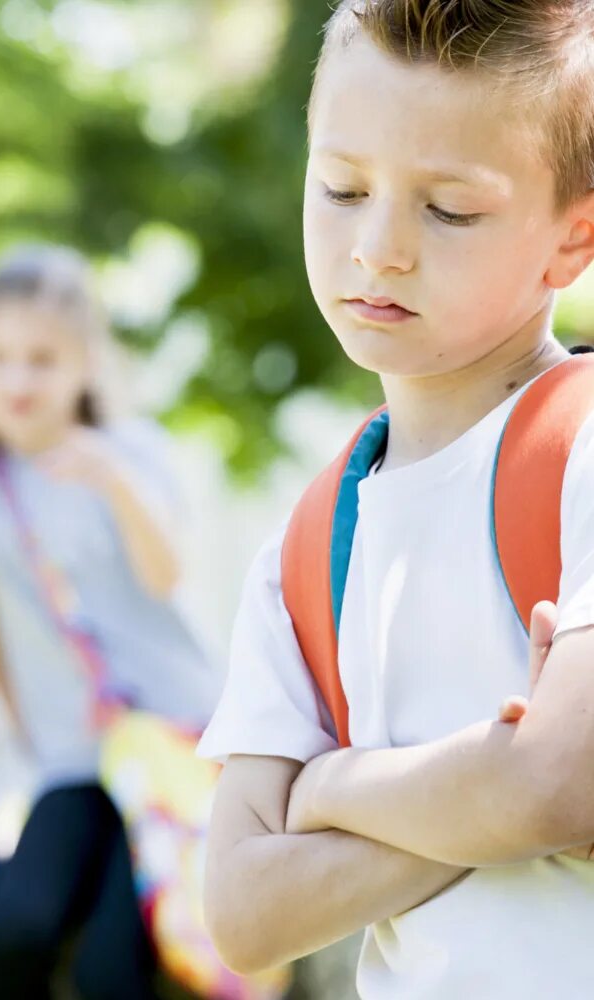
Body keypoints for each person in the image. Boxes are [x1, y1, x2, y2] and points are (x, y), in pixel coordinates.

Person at [199, 2, 594, 997]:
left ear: (571, 239)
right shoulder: (306, 548)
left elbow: (560, 780)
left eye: (448, 210)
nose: (377, 248)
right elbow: (243, 915)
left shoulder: (581, 446)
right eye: (340, 187)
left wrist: (328, 788)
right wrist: (491, 793)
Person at [0, 243, 219, 1000]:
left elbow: (170, 576)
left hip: (170, 746)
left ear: (86, 362)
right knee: (13, 930)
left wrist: (114, 483)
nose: (17, 379)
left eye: (42, 359)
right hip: (71, 760)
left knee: (111, 970)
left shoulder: (131, 452)